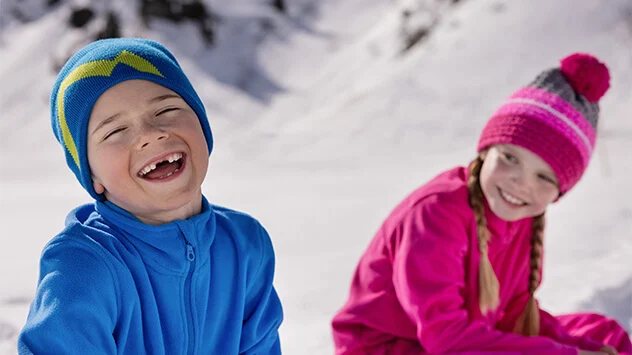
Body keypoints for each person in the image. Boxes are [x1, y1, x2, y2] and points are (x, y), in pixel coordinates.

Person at [331, 53, 631, 355]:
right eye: (510, 158)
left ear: (560, 191)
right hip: (390, 348)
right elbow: (447, 338)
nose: (520, 183)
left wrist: (584, 348)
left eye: (544, 177)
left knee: (605, 337)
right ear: (487, 151)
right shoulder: (436, 214)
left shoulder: (523, 218)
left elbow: (516, 315)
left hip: (459, 339)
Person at [18, 37, 283, 354]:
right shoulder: (84, 266)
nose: (150, 134)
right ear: (93, 177)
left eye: (167, 110)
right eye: (115, 131)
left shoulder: (244, 246)